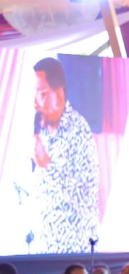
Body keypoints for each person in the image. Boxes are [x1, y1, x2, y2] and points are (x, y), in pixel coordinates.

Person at [32, 58, 99, 254]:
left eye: (42, 94)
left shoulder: (78, 131)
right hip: (44, 248)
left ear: (59, 96)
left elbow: (87, 200)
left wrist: (48, 165)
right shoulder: (41, 130)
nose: (35, 103)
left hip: (72, 252)